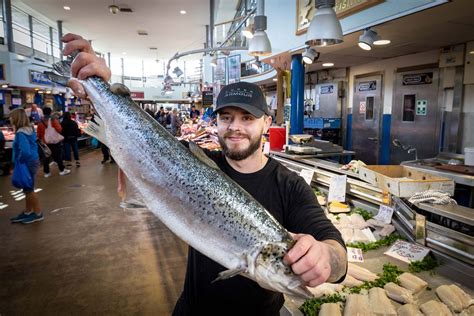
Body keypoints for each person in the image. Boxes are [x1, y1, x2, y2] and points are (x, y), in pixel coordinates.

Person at [62, 33, 347, 315]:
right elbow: (145, 137)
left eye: (247, 118)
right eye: (226, 118)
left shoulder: (289, 185)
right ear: (217, 123)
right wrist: (101, 85)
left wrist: (326, 257)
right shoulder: (193, 160)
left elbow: (336, 253)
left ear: (267, 122)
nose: (235, 127)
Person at [8, 108, 43, 224]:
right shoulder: (30, 129)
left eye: (11, 116)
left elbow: (25, 151)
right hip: (33, 160)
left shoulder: (21, 133)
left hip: (27, 162)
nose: (10, 119)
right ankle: (28, 212)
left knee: (29, 189)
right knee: (28, 188)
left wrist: (19, 161)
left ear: (16, 118)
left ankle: (38, 214)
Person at [36, 107, 71, 177]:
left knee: (46, 157)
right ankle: (62, 170)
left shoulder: (40, 121)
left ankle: (47, 173)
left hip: (45, 142)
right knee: (57, 156)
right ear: (50, 112)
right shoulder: (53, 120)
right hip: (54, 142)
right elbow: (59, 129)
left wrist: (42, 138)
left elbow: (38, 134)